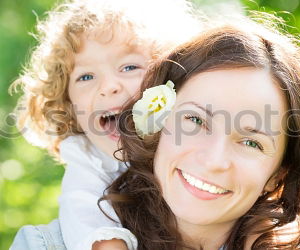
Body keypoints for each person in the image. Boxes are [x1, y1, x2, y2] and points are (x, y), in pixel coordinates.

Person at [105, 13, 300, 249]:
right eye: (196, 120)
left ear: (278, 175)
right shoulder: (80, 235)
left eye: (251, 143)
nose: (214, 160)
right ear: (158, 118)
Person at [10, 0, 203, 249]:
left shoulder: (189, 135)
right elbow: (82, 205)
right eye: (86, 76)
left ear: (169, 76)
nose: (108, 86)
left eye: (129, 67)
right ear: (68, 103)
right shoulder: (87, 156)